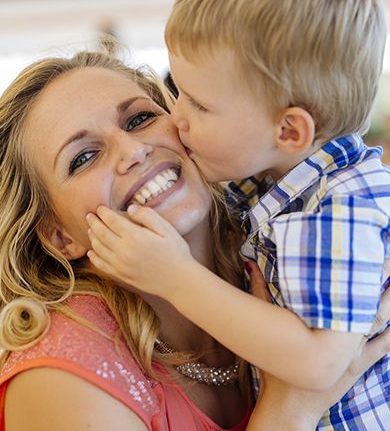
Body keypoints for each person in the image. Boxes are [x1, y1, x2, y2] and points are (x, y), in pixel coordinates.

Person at [3, 50, 388, 431]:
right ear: (59, 237)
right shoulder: (63, 378)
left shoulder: (285, 245)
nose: (134, 151)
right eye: (84, 157)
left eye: (140, 118)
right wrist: (293, 408)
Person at [85, 0, 390, 429]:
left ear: (289, 130)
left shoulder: (335, 209)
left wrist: (175, 276)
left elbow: (318, 365)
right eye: (178, 93)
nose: (177, 117)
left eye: (200, 105)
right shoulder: (279, 183)